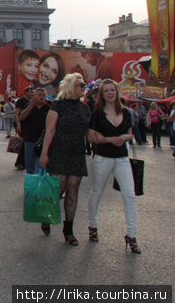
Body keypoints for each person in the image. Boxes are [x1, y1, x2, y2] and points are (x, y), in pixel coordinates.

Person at [86, 79, 140, 253]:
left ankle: (131, 235)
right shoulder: (97, 114)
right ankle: (92, 226)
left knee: (130, 196)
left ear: (117, 92)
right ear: (102, 94)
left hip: (122, 159)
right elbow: (91, 136)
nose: (110, 93)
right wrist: (109, 139)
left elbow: (130, 134)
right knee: (96, 193)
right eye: (106, 90)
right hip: (102, 157)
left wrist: (123, 138)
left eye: (112, 90)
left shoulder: (126, 112)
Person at [39, 73, 91, 245]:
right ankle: (46, 217)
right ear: (70, 87)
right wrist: (44, 153)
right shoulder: (57, 105)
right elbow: (50, 130)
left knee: (73, 188)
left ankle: (68, 229)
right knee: (58, 187)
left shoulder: (85, 108)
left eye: (84, 85)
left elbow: (88, 132)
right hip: (59, 150)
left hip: (77, 151)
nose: (84, 87)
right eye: (80, 85)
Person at [18, 87, 51, 174]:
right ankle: (31, 185)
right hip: (30, 140)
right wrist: (31, 105)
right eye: (40, 95)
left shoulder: (49, 108)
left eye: (44, 95)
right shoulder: (28, 106)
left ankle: (38, 185)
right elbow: (22, 117)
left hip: (43, 142)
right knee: (30, 167)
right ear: (35, 96)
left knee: (40, 168)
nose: (42, 97)